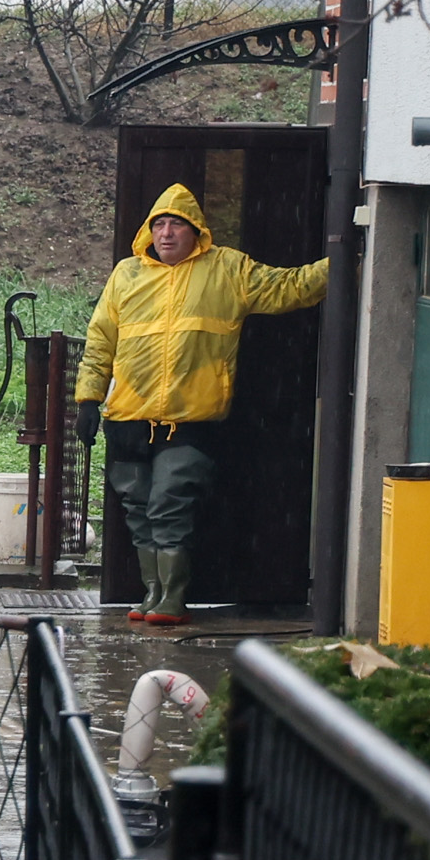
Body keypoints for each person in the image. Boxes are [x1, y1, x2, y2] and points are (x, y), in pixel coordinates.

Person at [75, 183, 329, 627]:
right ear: (148, 232)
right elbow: (100, 342)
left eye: (176, 225)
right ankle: (151, 593)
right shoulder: (126, 275)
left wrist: (342, 260)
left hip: (190, 421)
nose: (167, 233)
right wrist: (88, 400)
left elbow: (289, 288)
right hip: (128, 419)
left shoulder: (227, 269)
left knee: (169, 505)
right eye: (159, 225)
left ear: (197, 232)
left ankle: (173, 597)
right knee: (138, 511)